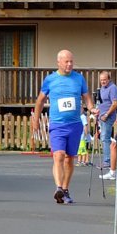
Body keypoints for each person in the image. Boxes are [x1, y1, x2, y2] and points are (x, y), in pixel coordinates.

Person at [32, 50, 95, 204]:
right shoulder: (50, 79)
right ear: (58, 62)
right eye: (66, 61)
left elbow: (86, 97)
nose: (69, 64)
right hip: (57, 124)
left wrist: (92, 109)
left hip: (75, 125)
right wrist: (36, 119)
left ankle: (65, 190)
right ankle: (58, 187)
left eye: (71, 61)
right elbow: (40, 100)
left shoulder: (79, 78)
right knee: (58, 155)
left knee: (69, 159)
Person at [96, 70, 117, 177]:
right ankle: (107, 159)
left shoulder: (113, 88)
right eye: (101, 80)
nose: (103, 82)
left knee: (105, 137)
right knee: (103, 137)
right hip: (101, 115)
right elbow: (102, 102)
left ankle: (107, 161)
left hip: (108, 116)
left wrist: (106, 114)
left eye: (104, 80)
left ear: (109, 79)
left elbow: (115, 103)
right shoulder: (102, 88)